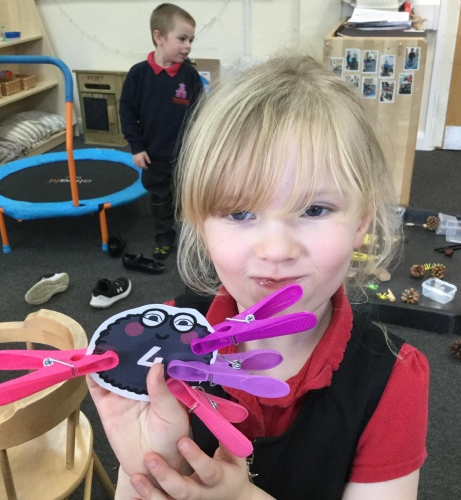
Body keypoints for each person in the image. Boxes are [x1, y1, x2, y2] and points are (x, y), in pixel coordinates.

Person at [89, 53, 429, 499]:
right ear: (200, 224)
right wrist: (154, 473)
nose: (276, 250)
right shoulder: (162, 338)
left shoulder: (391, 378)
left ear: (362, 220)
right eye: (239, 213)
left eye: (314, 209)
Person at [119, 3, 203, 260]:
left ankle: (194, 239)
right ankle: (164, 237)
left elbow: (201, 114)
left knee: (187, 198)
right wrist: (137, 147)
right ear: (159, 37)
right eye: (182, 39)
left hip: (185, 156)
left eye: (191, 40)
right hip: (153, 155)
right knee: (159, 197)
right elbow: (127, 113)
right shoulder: (138, 75)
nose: (188, 46)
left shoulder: (190, 76)